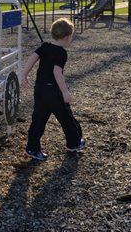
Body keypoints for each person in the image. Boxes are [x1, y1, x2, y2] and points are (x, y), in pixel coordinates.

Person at [20, 18, 85, 161]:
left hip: (40, 90)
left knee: (38, 119)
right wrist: (65, 92)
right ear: (67, 37)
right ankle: (73, 144)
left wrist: (23, 74)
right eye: (71, 37)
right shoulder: (61, 53)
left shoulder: (44, 46)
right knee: (67, 118)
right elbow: (57, 73)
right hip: (54, 92)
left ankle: (32, 148)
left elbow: (32, 58)